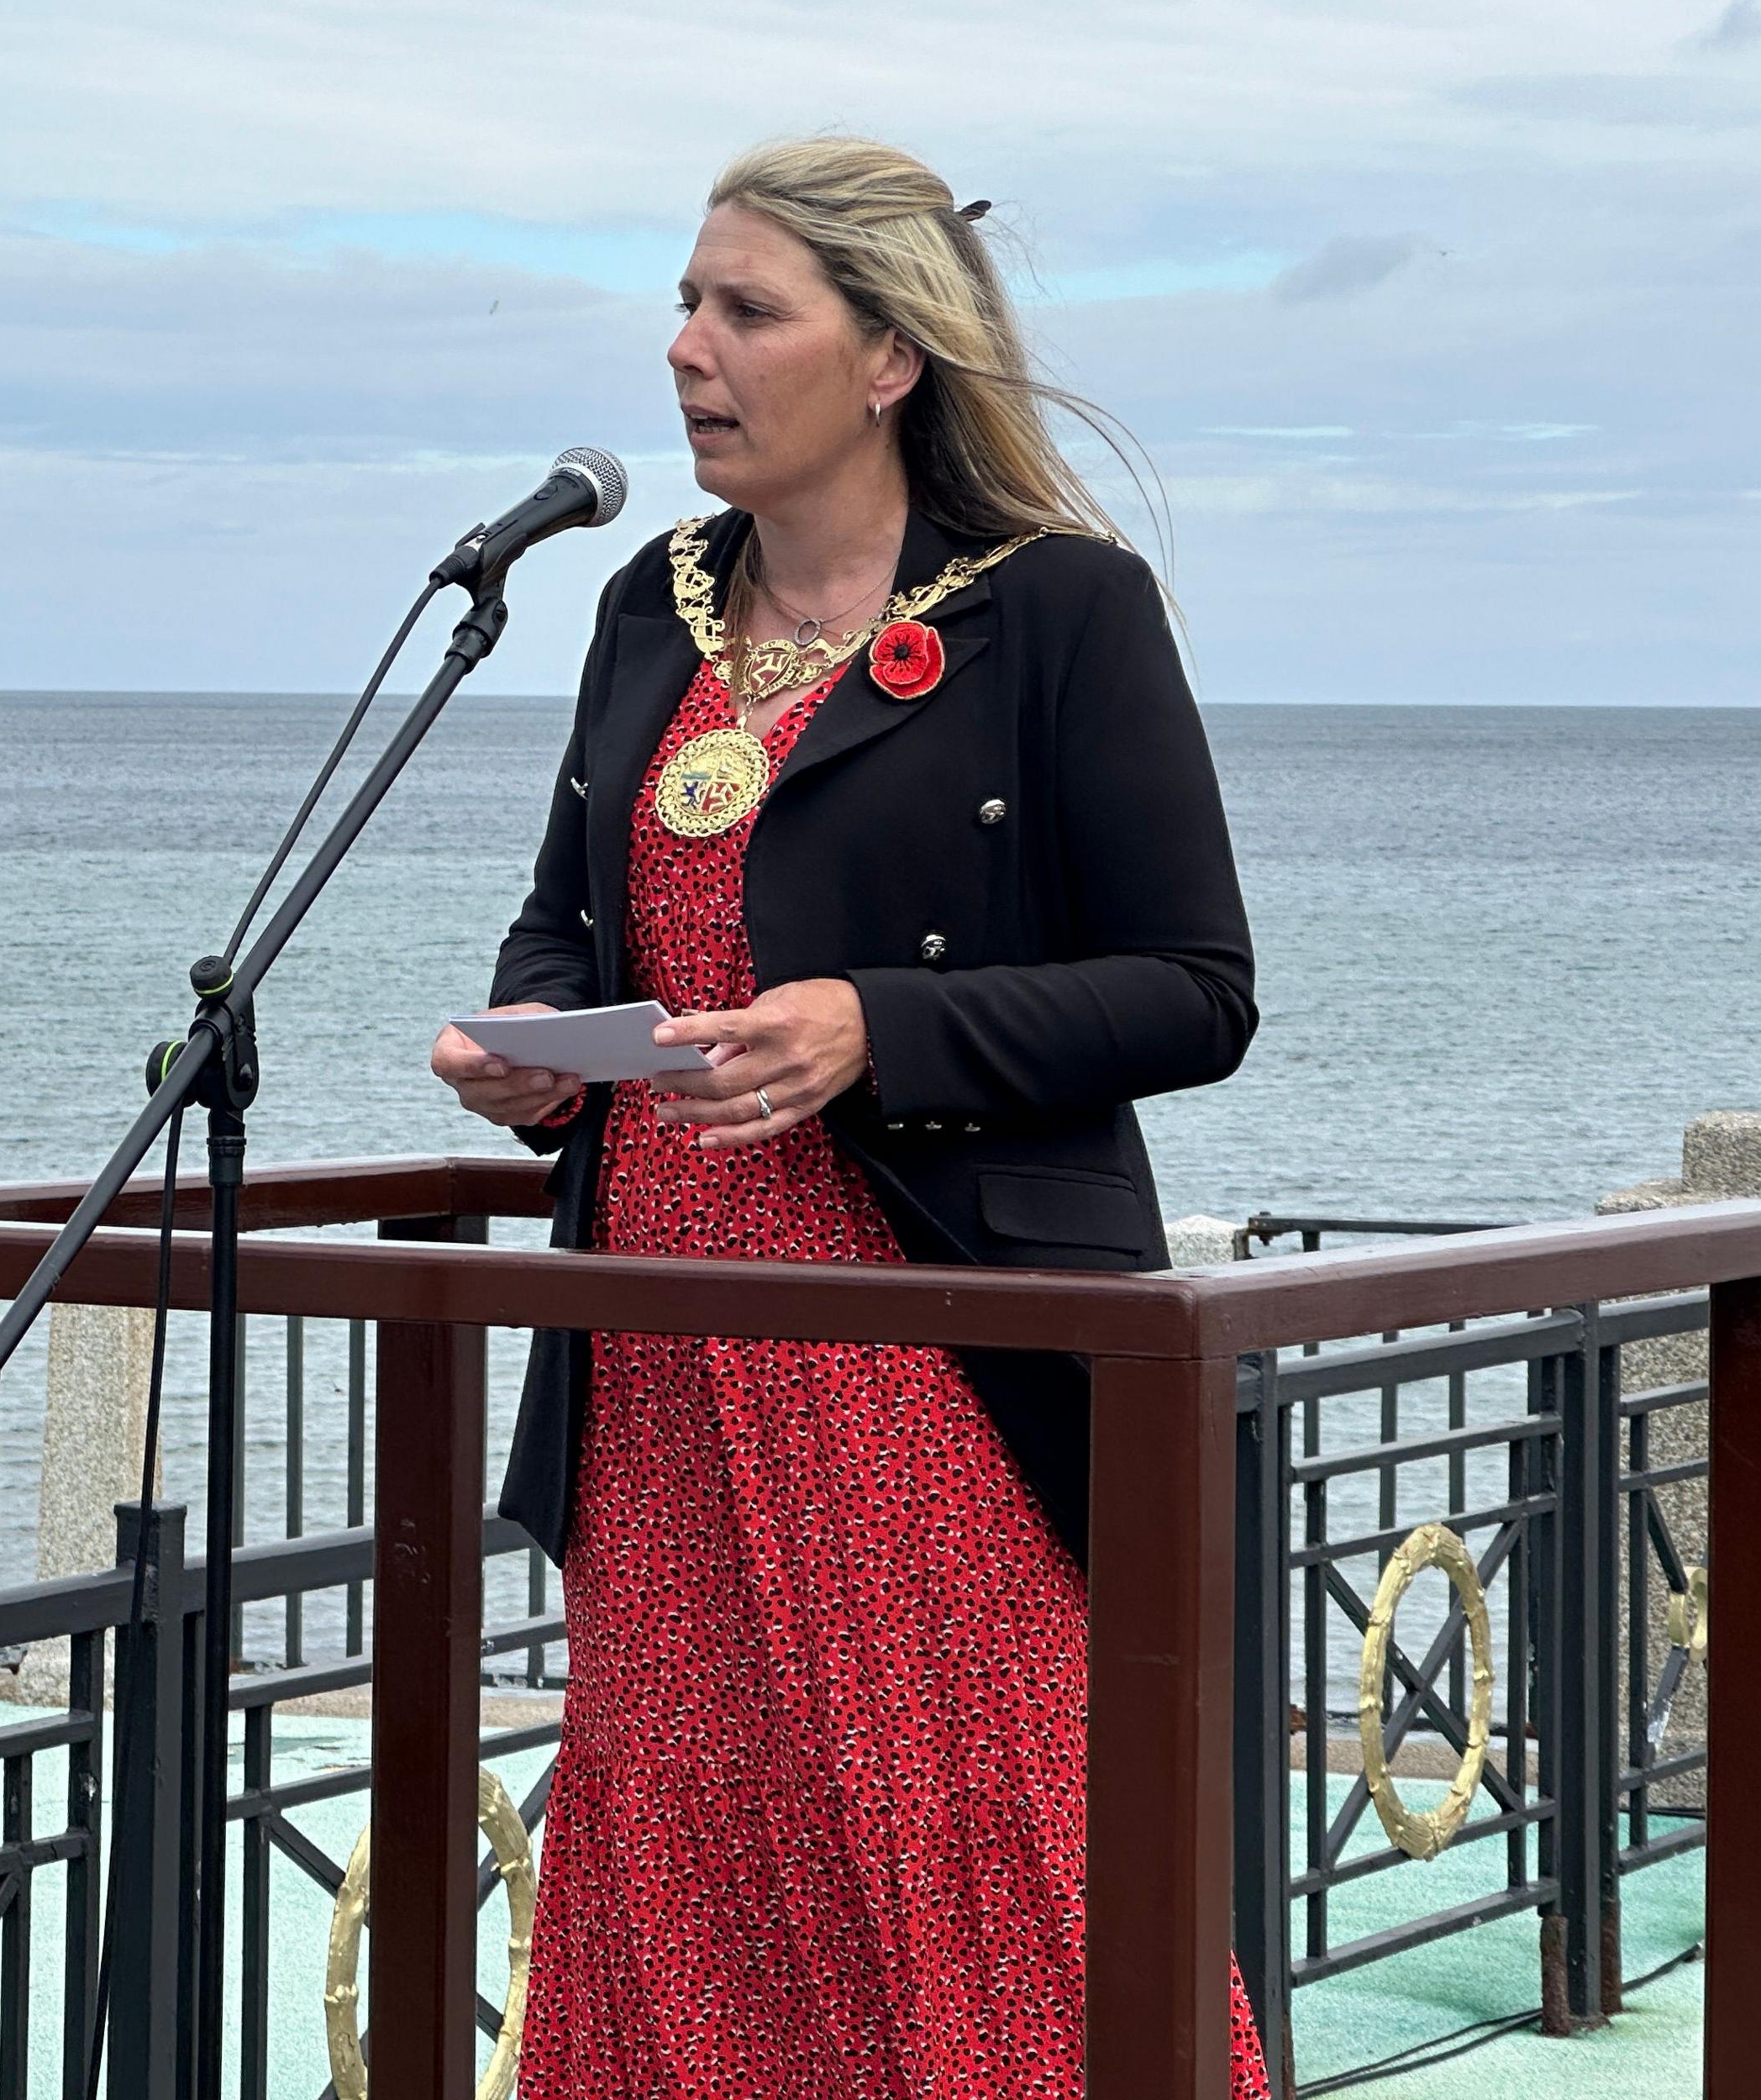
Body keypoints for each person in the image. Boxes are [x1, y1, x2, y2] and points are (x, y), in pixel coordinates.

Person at [430, 137, 1268, 2097]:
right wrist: (542, 1049)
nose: (686, 351)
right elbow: (576, 919)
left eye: (746, 311)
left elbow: (1197, 988)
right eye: (686, 304)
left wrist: (879, 1028)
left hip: (936, 1348)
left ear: (889, 357)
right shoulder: (653, 599)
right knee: (693, 1860)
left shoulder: (1063, 611)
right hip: (655, 1352)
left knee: (987, 1848)